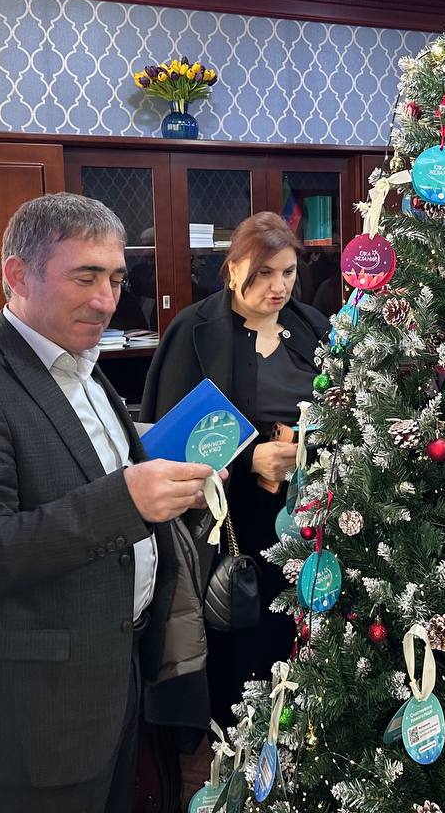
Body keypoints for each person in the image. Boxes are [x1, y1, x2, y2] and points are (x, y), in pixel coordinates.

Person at [0, 194, 214, 813]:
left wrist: (175, 479)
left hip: (118, 667)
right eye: (85, 277)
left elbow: (92, 468)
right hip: (42, 702)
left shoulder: (83, 365)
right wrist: (127, 500)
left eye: (116, 279)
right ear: (18, 275)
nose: (107, 301)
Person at [141, 212, 329, 728]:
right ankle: (236, 746)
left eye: (288, 272)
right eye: (264, 273)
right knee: (243, 639)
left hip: (309, 511)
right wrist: (250, 459)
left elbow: (344, 407)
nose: (279, 286)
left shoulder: (313, 326)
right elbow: (170, 442)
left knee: (301, 637)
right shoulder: (194, 330)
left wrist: (307, 444)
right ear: (233, 269)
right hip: (229, 520)